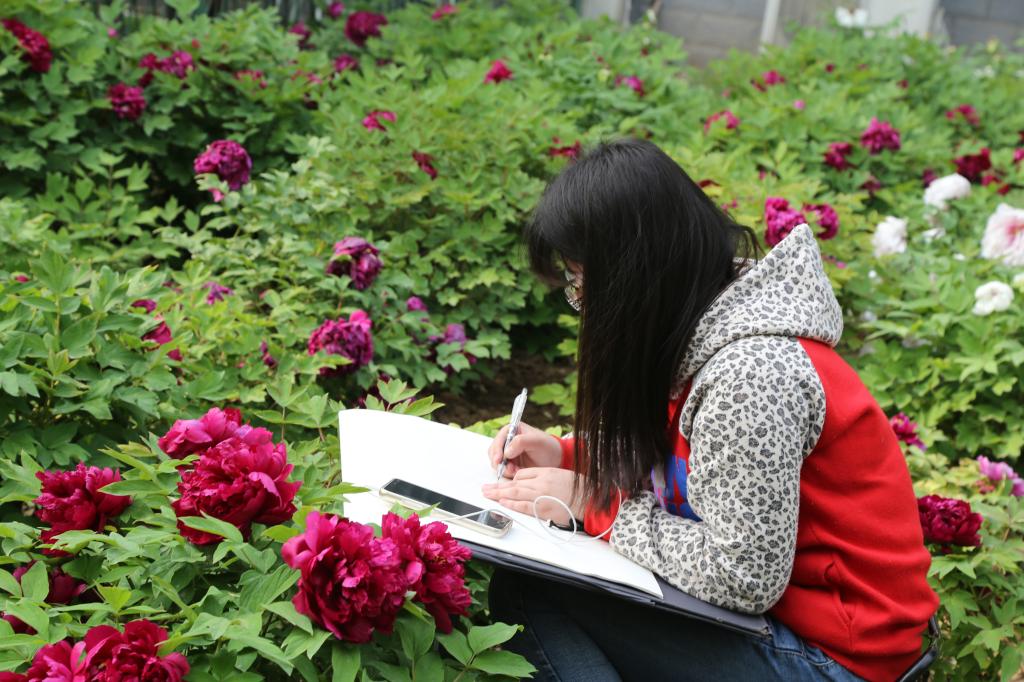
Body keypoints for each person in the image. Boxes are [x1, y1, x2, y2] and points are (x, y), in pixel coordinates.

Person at [480, 137, 938, 682]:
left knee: (530, 595)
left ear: (634, 275)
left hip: (841, 659)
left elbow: (742, 576)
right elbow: (691, 461)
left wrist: (596, 506)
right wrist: (569, 456)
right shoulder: (701, 325)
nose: (582, 305)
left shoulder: (751, 376)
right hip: (797, 628)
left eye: (582, 284)